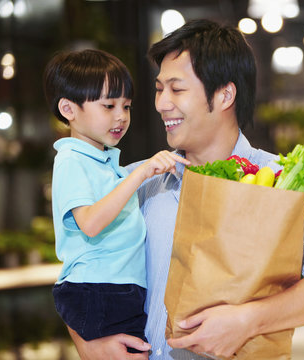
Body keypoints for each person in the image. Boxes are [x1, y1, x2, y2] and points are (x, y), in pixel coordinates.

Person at [67, 19, 304, 359]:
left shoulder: (283, 183)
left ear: (224, 94)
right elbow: (76, 268)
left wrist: (249, 320)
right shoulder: (133, 181)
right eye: (158, 88)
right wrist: (87, 343)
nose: (161, 104)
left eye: (177, 90)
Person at [43, 49, 189, 354]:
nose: (121, 116)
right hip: (99, 289)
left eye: (127, 106)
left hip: (114, 288)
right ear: (68, 109)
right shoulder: (71, 159)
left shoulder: (103, 162)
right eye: (108, 105)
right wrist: (141, 174)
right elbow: (91, 223)